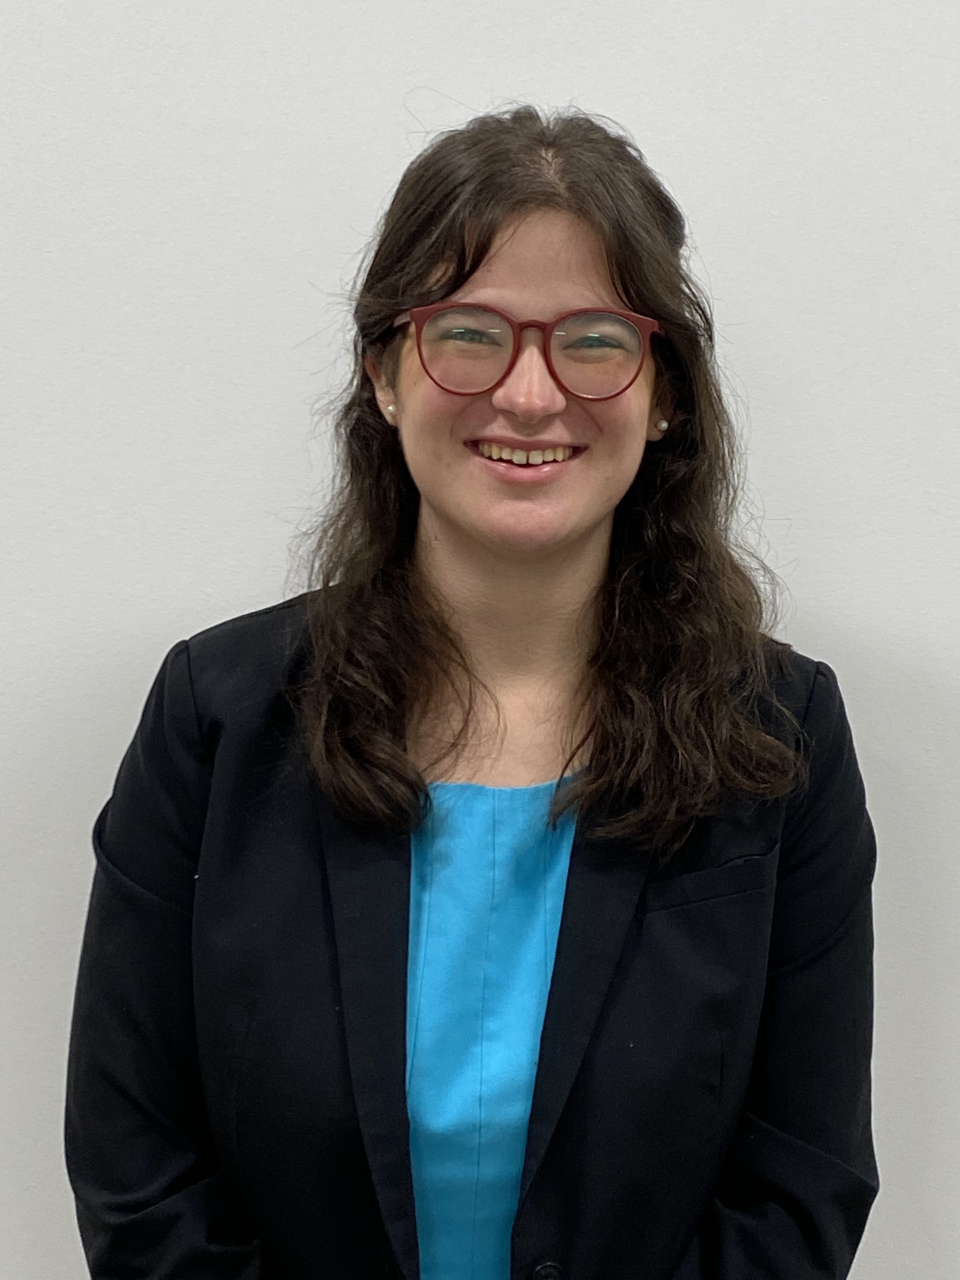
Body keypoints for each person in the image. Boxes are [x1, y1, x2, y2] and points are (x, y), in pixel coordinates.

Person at [64, 105, 879, 1280]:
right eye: (468, 332)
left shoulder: (782, 737)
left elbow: (800, 1186)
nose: (531, 394)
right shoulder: (215, 717)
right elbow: (139, 1175)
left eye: (593, 339)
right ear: (385, 374)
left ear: (665, 394)